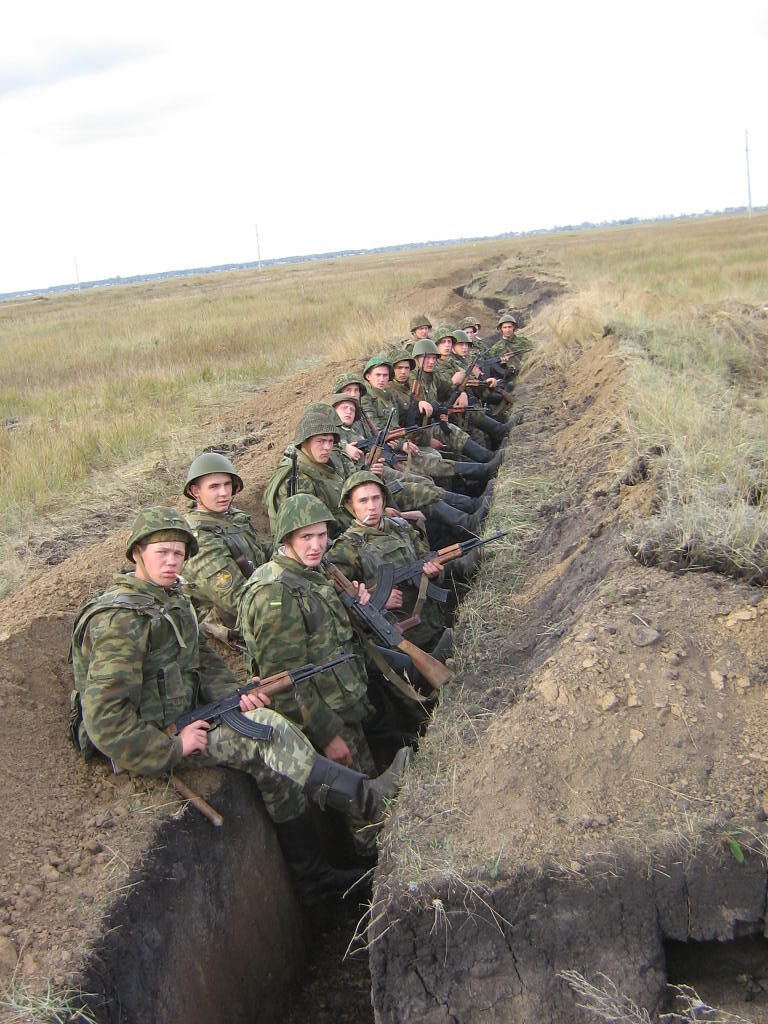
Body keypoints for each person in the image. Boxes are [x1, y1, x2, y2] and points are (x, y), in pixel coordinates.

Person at [68, 506, 408, 904]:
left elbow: (204, 663)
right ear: (136, 554)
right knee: (267, 731)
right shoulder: (121, 620)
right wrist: (172, 748)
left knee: (278, 770)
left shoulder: (170, 599)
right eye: (162, 552)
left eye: (178, 553)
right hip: (146, 743)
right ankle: (367, 799)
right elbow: (104, 720)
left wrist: (235, 696)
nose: (172, 560)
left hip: (184, 719)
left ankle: (314, 879)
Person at [238, 494, 384, 857]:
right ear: (286, 540)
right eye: (306, 538)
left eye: (321, 536)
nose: (317, 545)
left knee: (369, 791)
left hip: (342, 704)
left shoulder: (309, 572)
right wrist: (328, 734)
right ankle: (377, 865)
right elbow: (284, 684)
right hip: (323, 717)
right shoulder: (275, 594)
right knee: (365, 809)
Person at [330, 471, 452, 658]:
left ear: (384, 499)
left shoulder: (401, 527)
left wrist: (434, 572)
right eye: (363, 501)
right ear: (350, 505)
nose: (371, 507)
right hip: (399, 642)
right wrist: (376, 599)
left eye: (376, 498)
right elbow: (338, 605)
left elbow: (426, 560)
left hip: (434, 622)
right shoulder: (345, 548)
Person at [182, 451, 271, 635]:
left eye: (227, 485)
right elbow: (236, 599)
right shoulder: (199, 539)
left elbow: (265, 550)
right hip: (232, 617)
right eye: (214, 487)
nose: (223, 493)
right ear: (195, 491)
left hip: (260, 590)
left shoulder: (232, 517)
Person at [262, 403, 353, 539]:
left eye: (330, 441)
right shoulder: (296, 478)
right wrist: (358, 517)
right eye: (320, 441)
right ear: (304, 443)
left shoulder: (321, 465)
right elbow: (314, 528)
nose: (327, 447)